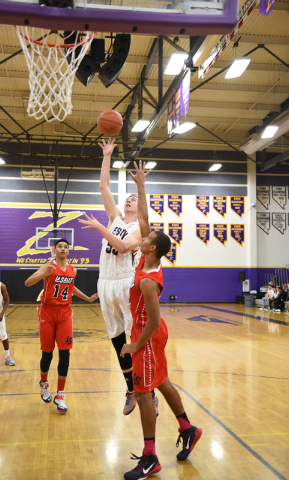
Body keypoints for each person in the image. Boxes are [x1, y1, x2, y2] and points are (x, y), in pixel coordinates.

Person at [120, 161, 202, 480]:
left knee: (143, 393)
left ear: (151, 248)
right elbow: (144, 218)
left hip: (148, 336)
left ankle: (151, 457)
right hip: (151, 332)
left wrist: (133, 346)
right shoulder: (146, 256)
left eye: (147, 236)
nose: (142, 234)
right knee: (162, 382)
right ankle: (188, 428)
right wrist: (141, 185)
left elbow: (152, 324)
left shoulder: (148, 281)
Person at [78, 138, 158, 416]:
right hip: (105, 281)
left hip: (125, 281)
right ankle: (130, 389)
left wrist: (100, 228)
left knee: (135, 334)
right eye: (127, 198)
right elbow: (103, 186)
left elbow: (124, 247)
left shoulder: (140, 228)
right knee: (115, 337)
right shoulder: (114, 217)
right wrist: (107, 155)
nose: (128, 200)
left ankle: (149, 388)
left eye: (133, 198)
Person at [25, 238, 98, 413]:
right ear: (55, 250)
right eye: (60, 246)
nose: (63, 249)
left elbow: (71, 288)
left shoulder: (73, 269)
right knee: (47, 353)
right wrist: (44, 275)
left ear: (69, 251)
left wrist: (87, 298)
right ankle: (43, 383)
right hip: (47, 312)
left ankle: (60, 394)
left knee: (65, 353)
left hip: (65, 313)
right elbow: (28, 282)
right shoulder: (49, 266)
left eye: (66, 247)